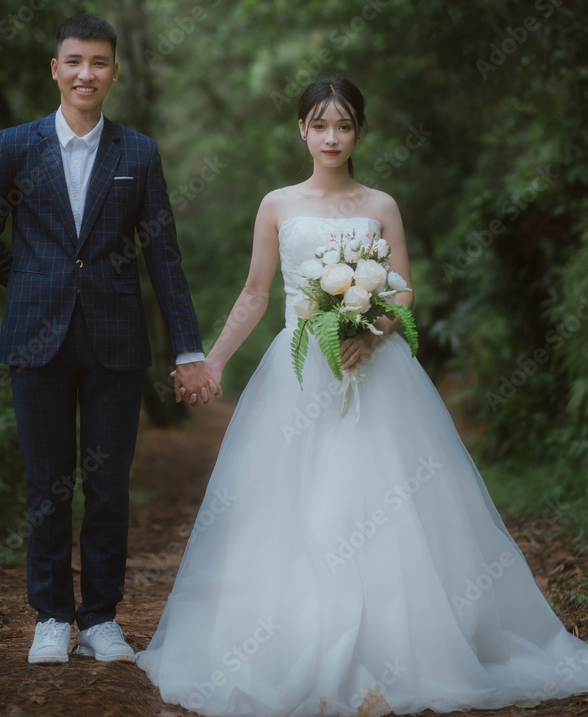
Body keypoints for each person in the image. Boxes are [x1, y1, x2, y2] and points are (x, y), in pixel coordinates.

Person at [136, 76, 588, 716]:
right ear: (301, 130)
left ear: (359, 133)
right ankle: (293, 643)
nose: (330, 137)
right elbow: (256, 294)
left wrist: (371, 333)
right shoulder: (276, 205)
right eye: (319, 125)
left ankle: (403, 647)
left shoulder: (381, 204)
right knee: (292, 507)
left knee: (390, 502)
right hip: (298, 375)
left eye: (343, 126)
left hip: (376, 371)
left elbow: (402, 292)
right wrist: (211, 360)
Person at [0, 13, 219, 665]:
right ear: (55, 68)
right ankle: (51, 616)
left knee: (108, 487)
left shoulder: (139, 153)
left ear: (113, 71)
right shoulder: (17, 146)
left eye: (98, 63)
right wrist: (32, 281)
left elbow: (164, 261)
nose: (85, 74)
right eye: (74, 61)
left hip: (116, 343)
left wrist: (188, 350)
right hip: (35, 342)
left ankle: (100, 619)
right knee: (46, 484)